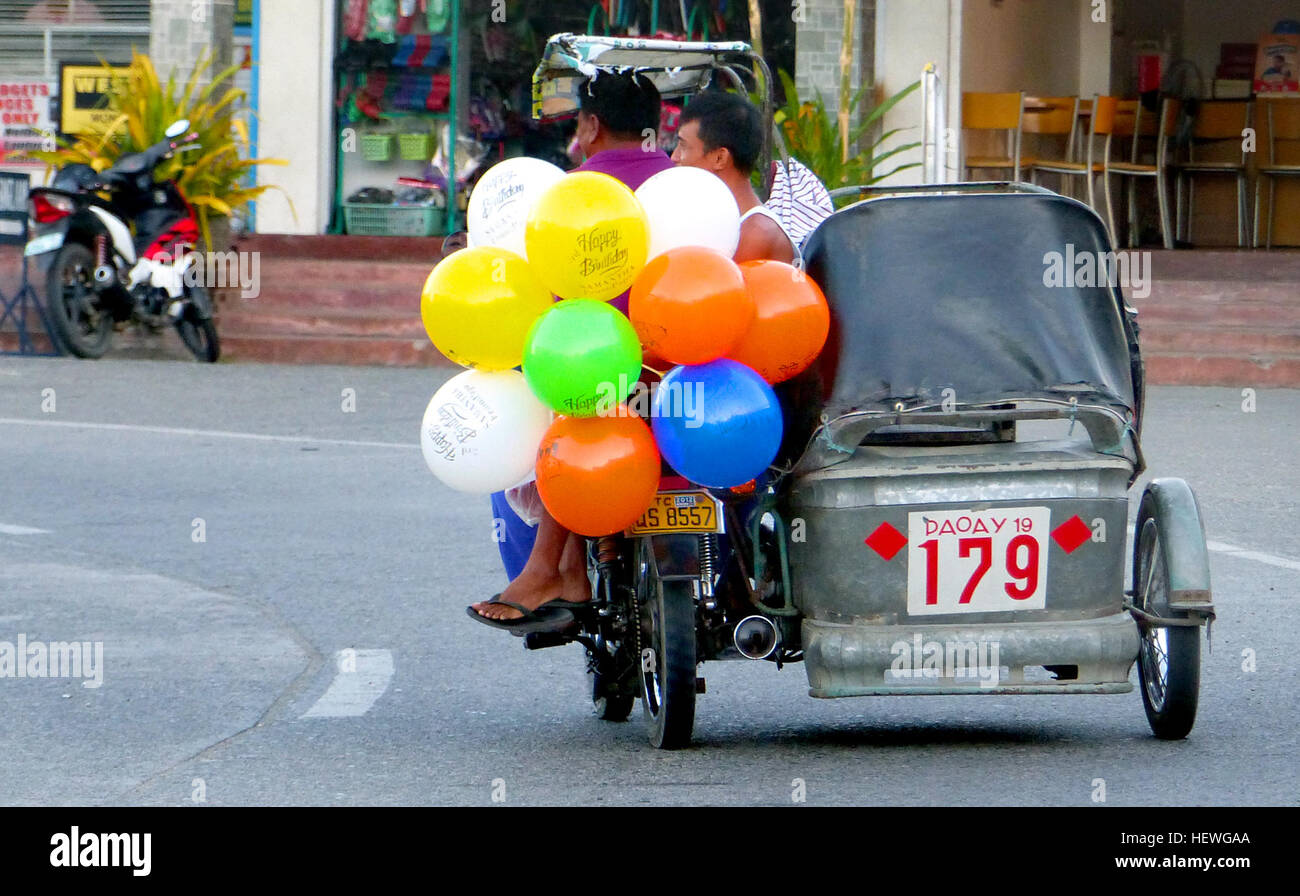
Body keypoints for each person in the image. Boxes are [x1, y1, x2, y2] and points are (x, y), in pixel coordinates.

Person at [469, 70, 675, 631]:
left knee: (561, 404)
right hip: (679, 381)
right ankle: (571, 568)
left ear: (591, 124)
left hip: (597, 383)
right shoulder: (682, 189)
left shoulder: (566, 197)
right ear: (657, 130)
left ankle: (547, 570)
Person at [670, 91, 799, 266]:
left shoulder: (755, 233)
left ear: (720, 158)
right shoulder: (715, 220)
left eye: (683, 146)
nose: (674, 157)